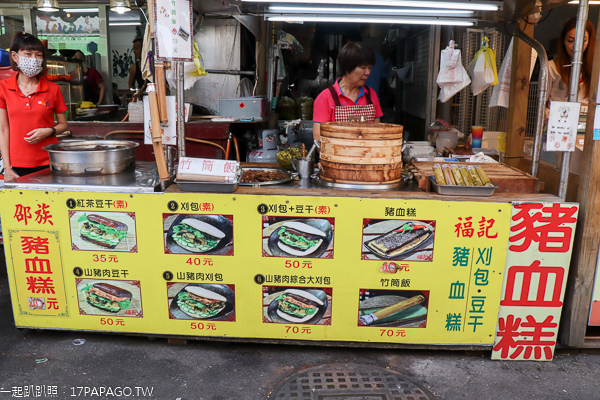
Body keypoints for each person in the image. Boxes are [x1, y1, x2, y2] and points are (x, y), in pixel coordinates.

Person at [0, 32, 67, 180]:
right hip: (16, 164)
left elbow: (63, 125)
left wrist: (49, 131)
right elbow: (3, 129)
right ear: (15, 56)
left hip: (49, 160)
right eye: (28, 54)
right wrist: (7, 167)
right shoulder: (3, 88)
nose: (34, 59)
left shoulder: (53, 89)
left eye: (38, 55)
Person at [312, 42, 383, 141]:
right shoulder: (326, 97)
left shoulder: (371, 95)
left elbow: (378, 132)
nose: (367, 73)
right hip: (337, 155)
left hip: (367, 155)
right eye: (363, 68)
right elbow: (318, 138)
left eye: (369, 68)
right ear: (347, 68)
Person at [548, 18, 596, 104]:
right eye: (570, 40)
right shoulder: (551, 67)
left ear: (589, 41)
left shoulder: (596, 68)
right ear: (563, 40)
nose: (576, 46)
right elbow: (542, 104)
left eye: (583, 41)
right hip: (559, 116)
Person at [342, 29, 386, 97]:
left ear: (348, 42)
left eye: (370, 67)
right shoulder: (328, 96)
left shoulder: (372, 95)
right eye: (363, 68)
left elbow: (383, 83)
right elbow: (383, 83)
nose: (368, 72)